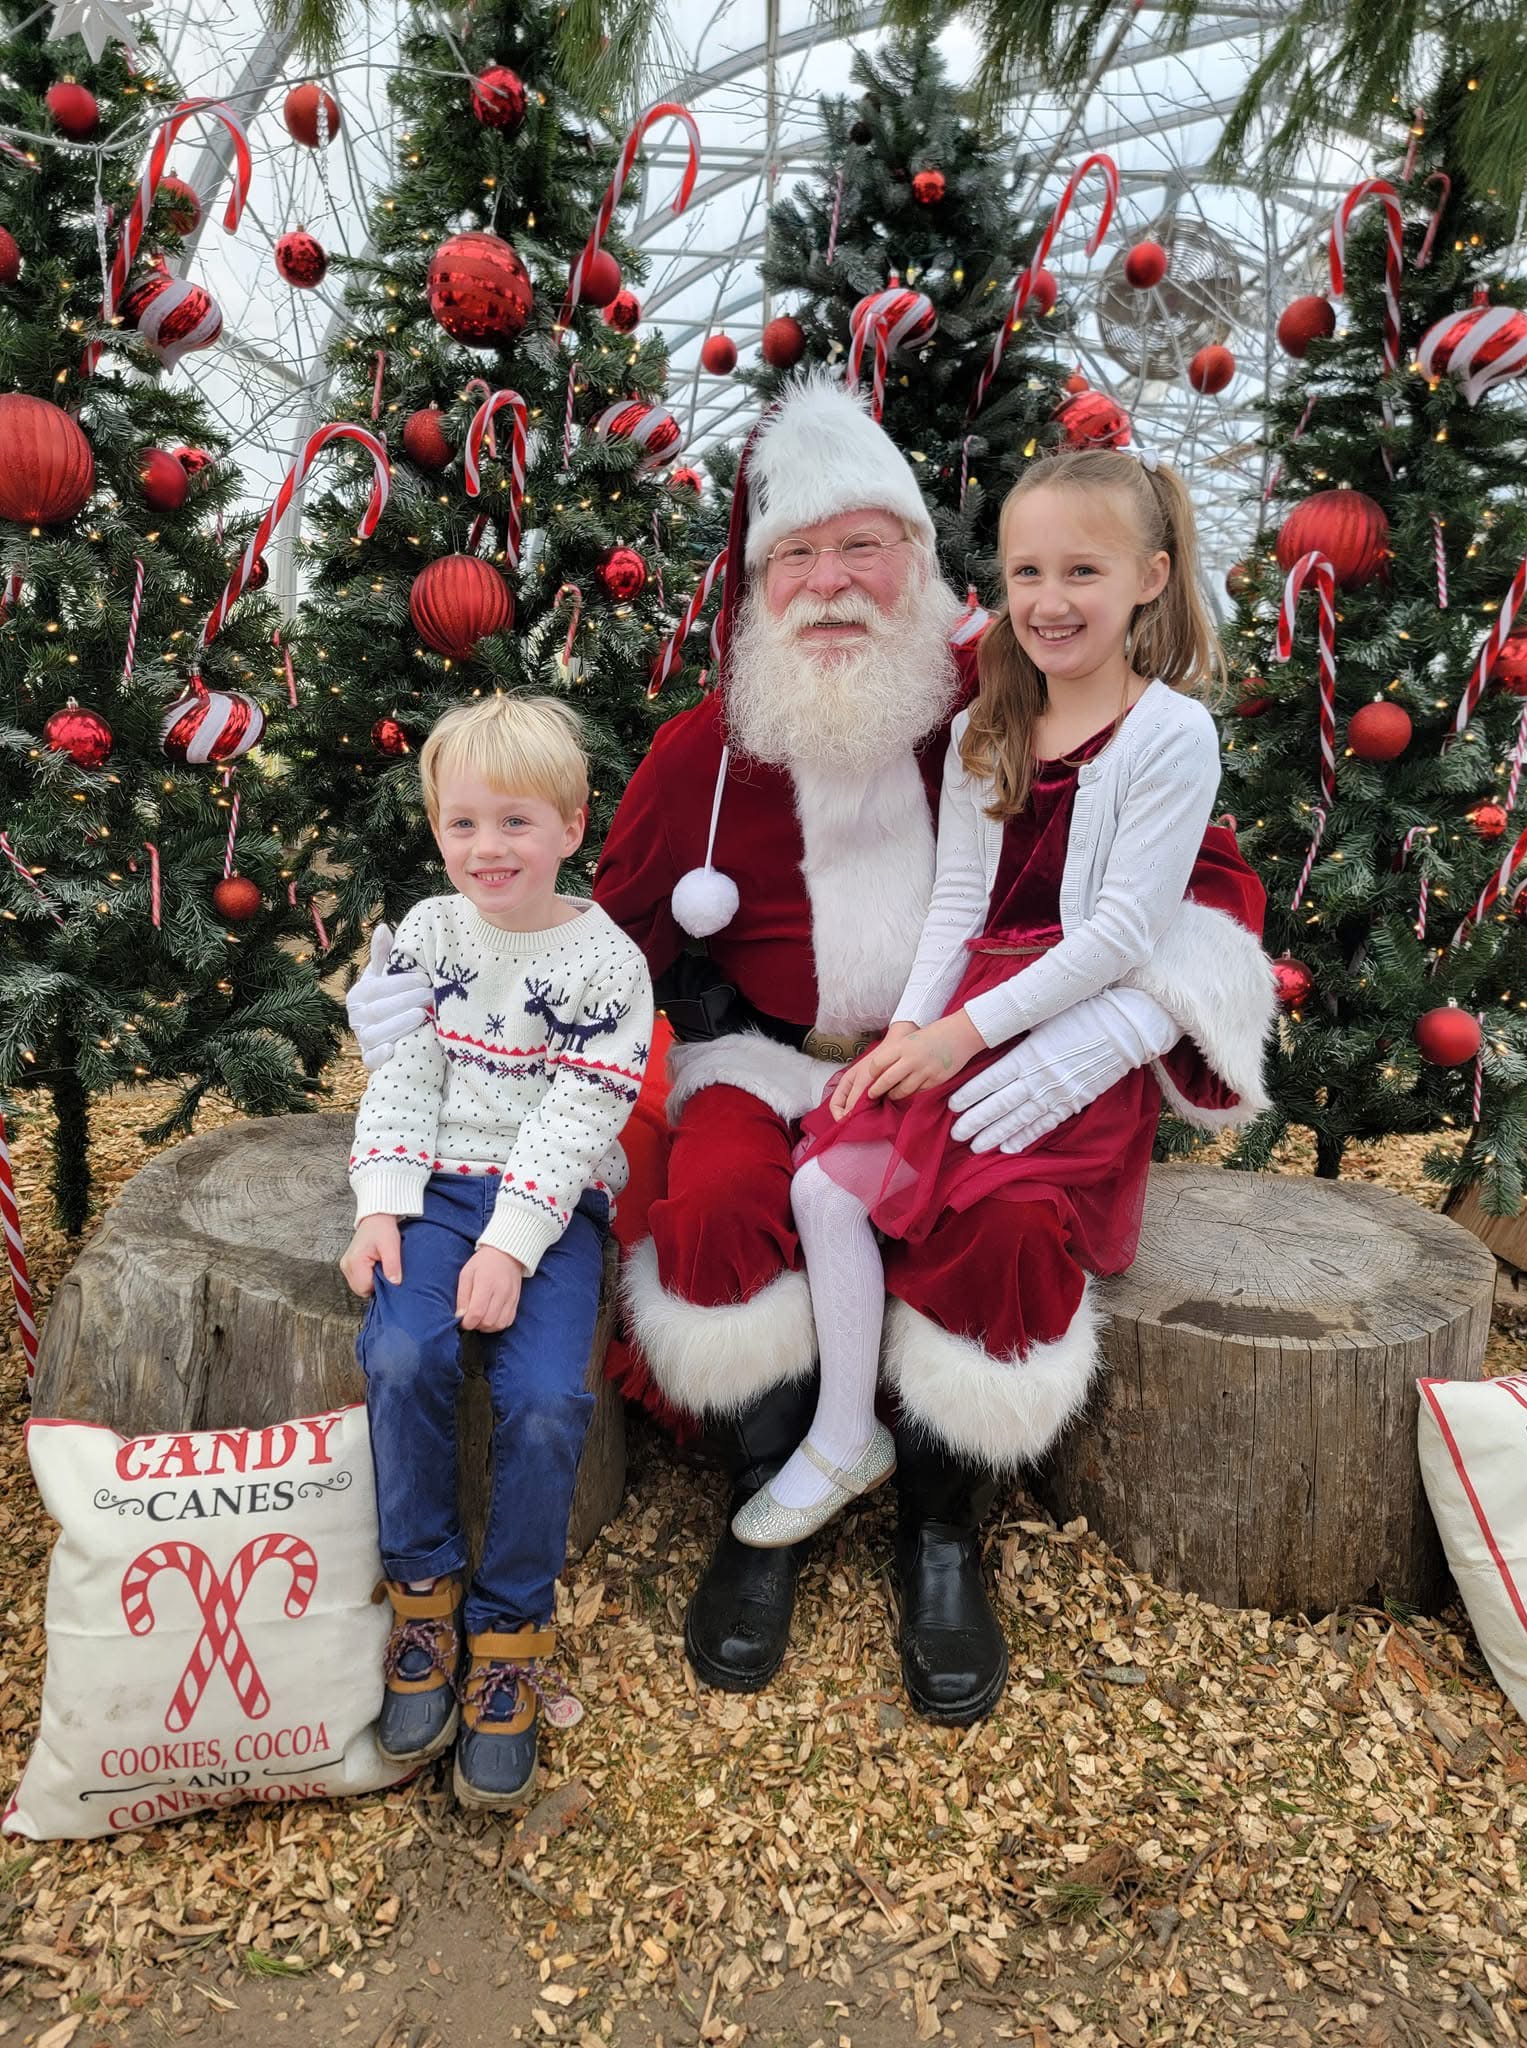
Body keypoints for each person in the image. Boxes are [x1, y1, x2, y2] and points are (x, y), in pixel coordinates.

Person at [348, 373, 1275, 1726]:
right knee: (716, 1203)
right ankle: (767, 1487)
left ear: (918, 559)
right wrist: (440, 1005)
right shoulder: (702, 751)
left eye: (863, 546)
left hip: (973, 1057)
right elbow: (584, 937)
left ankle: (942, 1529)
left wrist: (1133, 1024)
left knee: (1011, 1231)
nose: (831, 582)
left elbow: (1211, 891)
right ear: (757, 583)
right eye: (799, 555)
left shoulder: (1012, 690)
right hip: (767, 1062)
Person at [730, 446, 1224, 1548]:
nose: (1050, 602)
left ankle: (946, 1504)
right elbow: (958, 903)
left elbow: (1122, 935)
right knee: (826, 1182)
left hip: (1070, 1029)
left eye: (1082, 572)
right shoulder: (982, 729)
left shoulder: (1171, 734)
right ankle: (844, 1428)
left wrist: (961, 1035)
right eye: (1027, 572)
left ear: (1149, 576)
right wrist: (909, 1029)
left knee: (987, 1213)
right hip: (969, 1008)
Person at [340, 694, 651, 1809]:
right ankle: (423, 1598)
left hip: (550, 1207)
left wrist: (515, 1247)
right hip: (432, 1190)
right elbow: (406, 1075)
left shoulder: (606, 963)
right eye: (464, 823)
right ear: (437, 829)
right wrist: (382, 1202)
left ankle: (510, 1631)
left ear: (573, 824)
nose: (488, 849)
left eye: (516, 823)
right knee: (404, 1354)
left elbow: (579, 1122)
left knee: (546, 1399)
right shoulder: (428, 931)